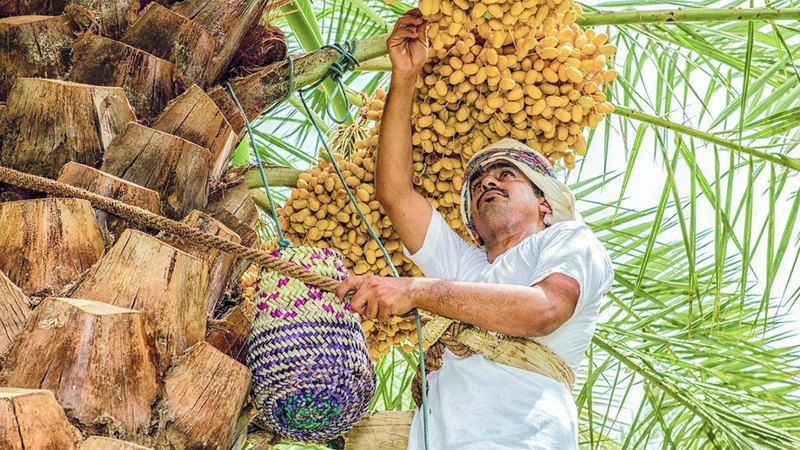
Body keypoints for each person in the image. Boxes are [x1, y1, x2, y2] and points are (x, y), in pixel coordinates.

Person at [334, 9, 614, 449]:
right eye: (479, 184)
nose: (488, 181)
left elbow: (544, 311)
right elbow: (396, 193)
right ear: (474, 229)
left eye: (506, 175)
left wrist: (417, 291)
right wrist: (404, 78)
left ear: (544, 203)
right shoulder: (465, 266)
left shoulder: (568, 239)